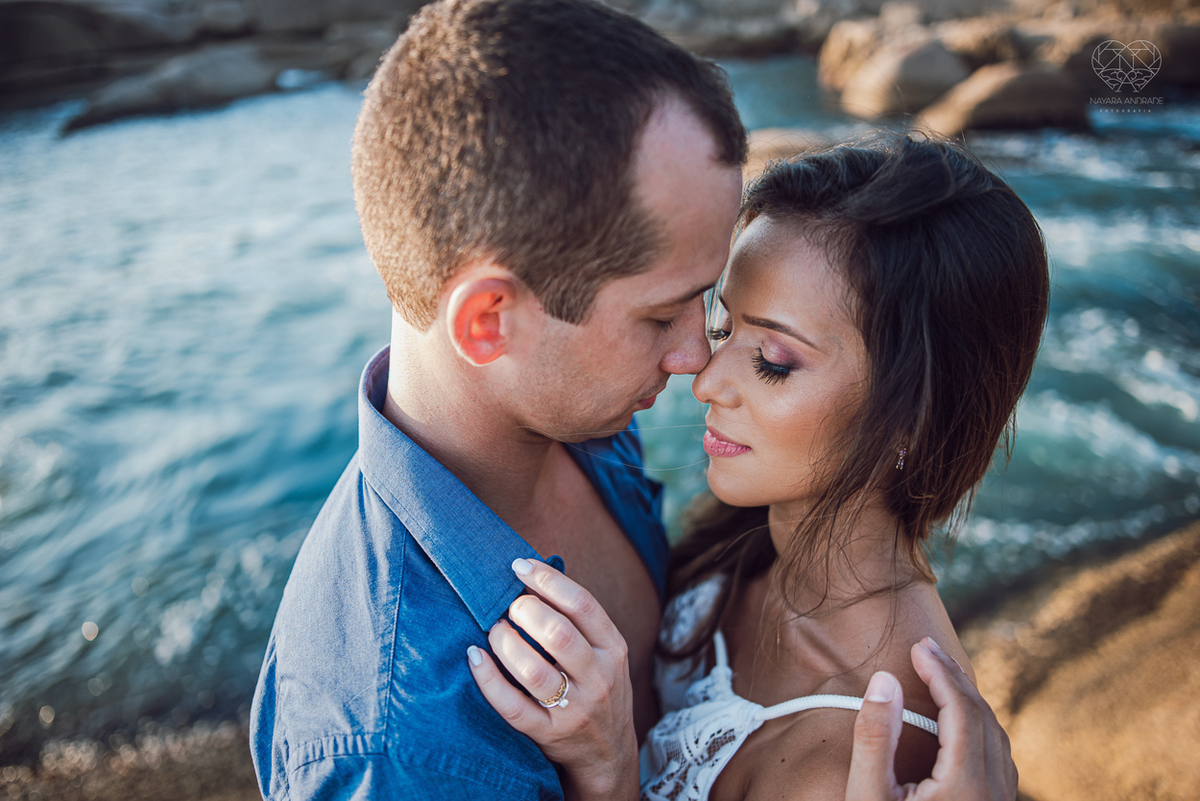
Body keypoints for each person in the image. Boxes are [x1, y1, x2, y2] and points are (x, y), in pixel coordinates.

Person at [249, 1, 1018, 798]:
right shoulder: (395, 746)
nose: (696, 364)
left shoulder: (584, 413)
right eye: (662, 315)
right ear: (489, 322)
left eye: (713, 312)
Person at [468, 134, 1047, 800]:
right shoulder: (750, 540)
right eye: (723, 330)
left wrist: (607, 768)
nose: (705, 381)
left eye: (773, 360)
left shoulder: (852, 764)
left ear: (911, 418)